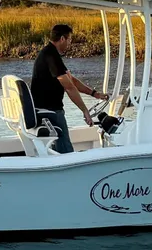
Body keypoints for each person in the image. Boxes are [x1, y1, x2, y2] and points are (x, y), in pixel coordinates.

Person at [30, 24, 109, 154]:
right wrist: (85, 111)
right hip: (50, 111)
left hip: (47, 108)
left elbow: (72, 80)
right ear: (62, 39)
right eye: (69, 40)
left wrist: (95, 94)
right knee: (66, 150)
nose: (70, 43)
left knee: (61, 146)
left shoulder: (51, 53)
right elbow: (69, 88)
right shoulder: (51, 56)